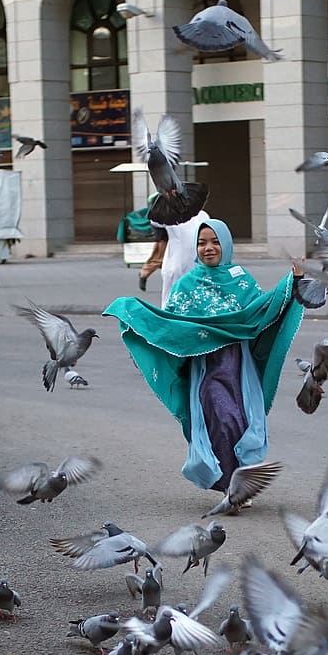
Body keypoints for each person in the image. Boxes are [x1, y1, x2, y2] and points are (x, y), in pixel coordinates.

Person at [104, 219, 303, 492]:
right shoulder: (187, 284)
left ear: (227, 244)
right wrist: (131, 314)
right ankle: (229, 486)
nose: (208, 248)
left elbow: (262, 310)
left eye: (215, 241)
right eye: (201, 243)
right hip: (205, 369)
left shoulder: (241, 278)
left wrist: (294, 280)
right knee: (220, 417)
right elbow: (172, 324)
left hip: (239, 367)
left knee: (240, 421)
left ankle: (240, 483)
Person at [152, 209, 210, 308]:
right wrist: (166, 202)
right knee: (172, 298)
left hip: (197, 261)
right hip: (176, 261)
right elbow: (155, 221)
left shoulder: (202, 215)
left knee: (197, 296)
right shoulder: (171, 213)